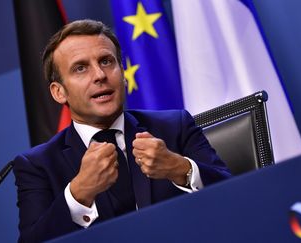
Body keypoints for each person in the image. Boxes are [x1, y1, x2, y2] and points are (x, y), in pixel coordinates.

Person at [12, 19, 231, 242]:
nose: (99, 75)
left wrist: (180, 169)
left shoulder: (175, 126)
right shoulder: (37, 166)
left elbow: (234, 195)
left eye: (106, 61)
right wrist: (79, 193)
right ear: (59, 92)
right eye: (81, 68)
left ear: (122, 72)